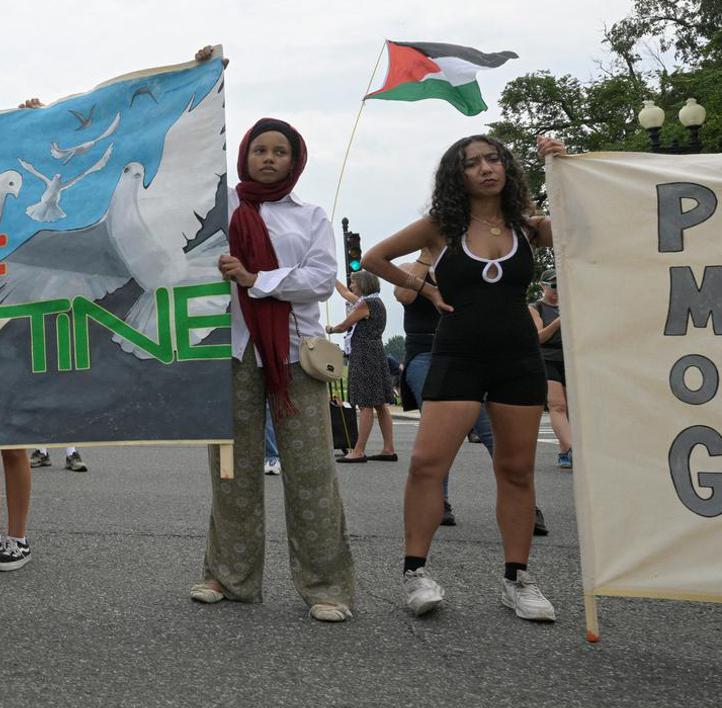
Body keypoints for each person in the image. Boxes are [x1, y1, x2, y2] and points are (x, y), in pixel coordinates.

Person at [362, 134, 562, 623]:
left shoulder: (529, 228)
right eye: (472, 164)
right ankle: (416, 573)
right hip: (456, 354)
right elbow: (374, 258)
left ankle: (517, 580)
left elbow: (585, 226)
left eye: (493, 159)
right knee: (427, 463)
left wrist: (561, 166)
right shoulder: (441, 227)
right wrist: (422, 288)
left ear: (506, 167)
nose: (486, 169)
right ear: (459, 175)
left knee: (515, 470)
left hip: (518, 356)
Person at [190, 116, 355, 622]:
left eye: (279, 151)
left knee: (311, 474)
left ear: (295, 160)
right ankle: (230, 577)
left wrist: (256, 278)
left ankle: (327, 587)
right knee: (232, 473)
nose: (268, 158)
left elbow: (322, 279)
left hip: (295, 357)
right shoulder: (221, 211)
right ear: (243, 156)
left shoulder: (309, 216)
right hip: (232, 351)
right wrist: (204, 78)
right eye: (258, 149)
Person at [331, 272, 396, 462]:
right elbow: (344, 293)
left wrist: (330, 329)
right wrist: (332, 278)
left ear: (363, 284)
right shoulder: (375, 302)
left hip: (364, 354)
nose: (351, 286)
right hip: (376, 353)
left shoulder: (365, 304)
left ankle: (358, 451)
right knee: (380, 404)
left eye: (354, 283)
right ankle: (388, 449)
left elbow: (344, 326)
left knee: (366, 403)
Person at [530, 271, 571, 469]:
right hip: (547, 358)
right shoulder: (535, 308)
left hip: (569, 358)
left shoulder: (570, 305)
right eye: (553, 286)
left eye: (560, 285)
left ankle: (565, 452)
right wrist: (557, 323)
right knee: (557, 405)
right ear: (543, 287)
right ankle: (573, 449)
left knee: (573, 409)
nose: (557, 290)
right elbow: (538, 337)